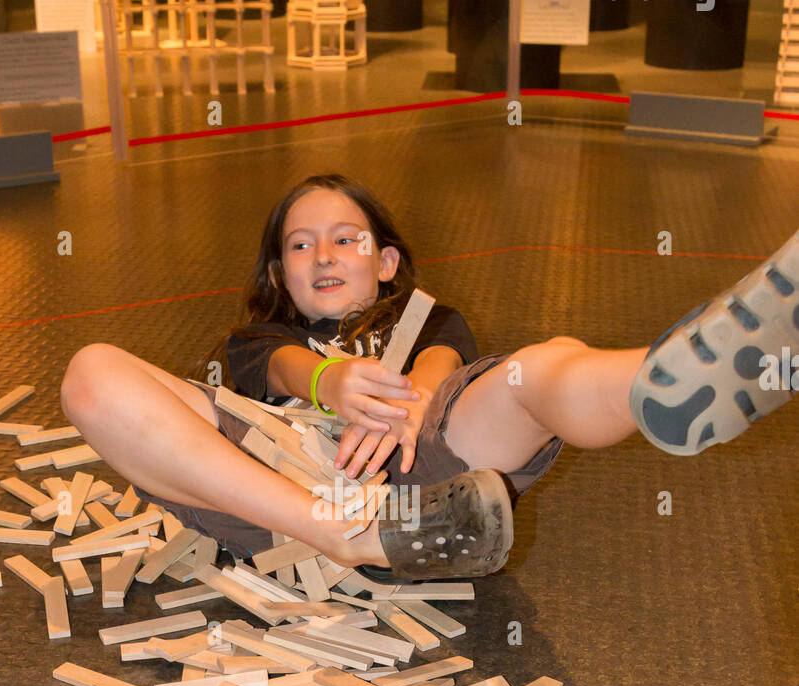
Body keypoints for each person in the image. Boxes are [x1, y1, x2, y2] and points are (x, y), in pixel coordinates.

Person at [60, 173, 797, 582]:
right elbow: (275, 367)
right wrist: (331, 384)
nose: (322, 255)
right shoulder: (262, 337)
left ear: (383, 261)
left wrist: (413, 401)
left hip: (427, 485)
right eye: (299, 245)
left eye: (345, 240)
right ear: (279, 273)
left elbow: (444, 356)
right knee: (91, 371)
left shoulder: (421, 315)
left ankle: (659, 380)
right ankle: (349, 535)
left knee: (536, 367)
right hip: (285, 498)